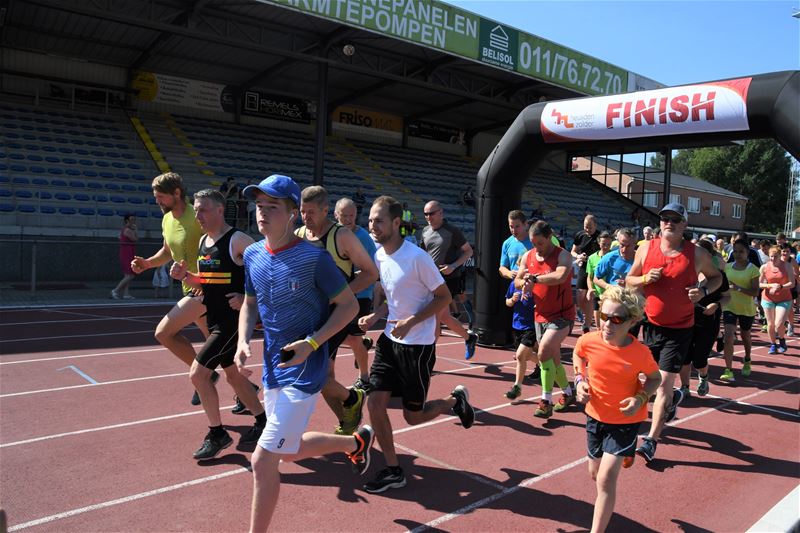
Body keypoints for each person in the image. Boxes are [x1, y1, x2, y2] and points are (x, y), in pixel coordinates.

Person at [236, 175, 374, 532]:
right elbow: (249, 304)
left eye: (272, 207)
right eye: (259, 206)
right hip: (272, 365)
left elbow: (347, 307)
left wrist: (312, 344)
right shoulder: (252, 254)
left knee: (263, 461)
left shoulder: (314, 259)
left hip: (305, 368)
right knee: (288, 448)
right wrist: (241, 340)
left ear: (292, 213)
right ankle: (355, 441)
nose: (262, 214)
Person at [359, 195, 475, 493]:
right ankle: (393, 469)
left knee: (413, 415)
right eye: (370, 219)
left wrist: (411, 321)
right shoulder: (379, 255)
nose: (373, 225)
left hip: (417, 345)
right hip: (389, 340)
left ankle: (454, 401)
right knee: (374, 402)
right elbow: (392, 298)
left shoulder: (417, 257)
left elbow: (444, 298)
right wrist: (376, 315)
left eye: (379, 220)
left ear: (396, 223)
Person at [168, 189, 265, 460]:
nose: (198, 215)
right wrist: (185, 275)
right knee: (233, 375)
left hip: (232, 322)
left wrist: (246, 297)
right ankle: (262, 419)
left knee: (198, 375)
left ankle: (217, 433)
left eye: (204, 210)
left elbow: (270, 269)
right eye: (196, 209)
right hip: (215, 319)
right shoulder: (203, 242)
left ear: (220, 210)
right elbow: (207, 282)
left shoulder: (238, 240)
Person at [625, 202, 722, 462]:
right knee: (648, 382)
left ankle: (651, 441)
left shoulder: (697, 254)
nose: (669, 222)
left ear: (684, 225)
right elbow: (629, 280)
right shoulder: (646, 249)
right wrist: (645, 279)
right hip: (651, 325)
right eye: (665, 218)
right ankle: (674, 399)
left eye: (675, 219)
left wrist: (702, 291)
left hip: (679, 329)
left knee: (665, 383)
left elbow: (717, 278)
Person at [573, 286, 662, 533]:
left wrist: (641, 398)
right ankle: (626, 453)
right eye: (604, 316)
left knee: (605, 479)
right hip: (595, 416)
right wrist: (580, 380)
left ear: (632, 321)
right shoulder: (589, 341)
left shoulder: (640, 353)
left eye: (616, 319)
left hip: (625, 420)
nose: (608, 324)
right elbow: (578, 354)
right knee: (594, 473)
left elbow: (655, 379)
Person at [296, 186, 379, 434]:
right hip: (310, 315)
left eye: (311, 212)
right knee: (324, 374)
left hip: (336, 316)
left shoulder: (341, 236)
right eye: (302, 211)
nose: (306, 217)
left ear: (325, 210)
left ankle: (351, 404)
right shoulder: (299, 234)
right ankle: (349, 418)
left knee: (312, 369)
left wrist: (341, 295)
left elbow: (371, 273)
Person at [131, 172, 214, 406]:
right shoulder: (167, 219)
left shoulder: (197, 215)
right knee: (217, 348)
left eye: (161, 197)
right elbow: (167, 252)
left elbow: (215, 246)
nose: (158, 202)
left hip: (204, 289)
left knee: (163, 333)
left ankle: (203, 376)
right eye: (156, 197)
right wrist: (147, 263)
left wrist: (206, 280)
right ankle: (245, 392)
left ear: (177, 193)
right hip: (189, 287)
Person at [515, 220, 577, 419]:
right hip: (540, 314)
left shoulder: (563, 255)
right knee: (553, 359)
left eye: (540, 243)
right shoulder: (528, 255)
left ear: (550, 237)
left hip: (562, 315)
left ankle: (545, 401)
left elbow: (560, 276)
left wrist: (535, 279)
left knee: (543, 353)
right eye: (533, 243)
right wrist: (523, 282)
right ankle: (567, 393)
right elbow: (517, 279)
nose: (537, 247)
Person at [420, 200, 478, 359]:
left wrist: (453, 266)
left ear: (441, 212)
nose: (428, 217)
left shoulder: (452, 231)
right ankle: (469, 337)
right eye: (425, 214)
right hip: (431, 280)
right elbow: (422, 255)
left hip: (449, 280)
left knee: (436, 318)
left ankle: (427, 358)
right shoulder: (425, 231)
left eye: (431, 213)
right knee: (444, 316)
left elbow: (468, 252)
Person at [333, 197, 378, 390]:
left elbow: (373, 269)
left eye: (352, 215)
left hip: (360, 295)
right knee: (333, 336)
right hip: (335, 296)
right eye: (344, 216)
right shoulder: (331, 234)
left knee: (353, 339)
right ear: (336, 215)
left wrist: (350, 278)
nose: (349, 219)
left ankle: (365, 378)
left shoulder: (364, 238)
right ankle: (328, 379)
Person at [678, 239, 729, 397]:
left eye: (697, 252)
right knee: (684, 357)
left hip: (708, 321)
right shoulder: (687, 272)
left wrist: (716, 305)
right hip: (686, 319)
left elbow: (727, 297)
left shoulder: (718, 275)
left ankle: (703, 377)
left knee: (699, 359)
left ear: (707, 255)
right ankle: (685, 387)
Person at [499, 210, 538, 379]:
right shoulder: (507, 243)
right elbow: (501, 267)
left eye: (517, 226)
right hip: (515, 288)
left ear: (525, 225)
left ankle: (540, 362)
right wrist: (510, 274)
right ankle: (540, 362)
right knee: (523, 331)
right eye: (510, 226)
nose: (513, 230)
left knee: (535, 330)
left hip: (535, 289)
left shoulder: (533, 241)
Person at [720, 239, 760, 382]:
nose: (737, 254)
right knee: (729, 336)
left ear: (747, 252)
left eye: (741, 251)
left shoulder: (753, 269)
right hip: (729, 306)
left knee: (745, 336)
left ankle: (747, 359)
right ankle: (728, 369)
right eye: (735, 251)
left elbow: (755, 292)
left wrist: (737, 288)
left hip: (746, 308)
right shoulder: (728, 267)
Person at [503, 263, 538, 401]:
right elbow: (507, 302)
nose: (524, 272)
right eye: (521, 269)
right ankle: (545, 365)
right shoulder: (514, 284)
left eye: (528, 270)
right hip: (517, 325)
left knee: (519, 356)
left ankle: (517, 387)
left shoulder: (535, 285)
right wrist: (512, 300)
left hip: (531, 325)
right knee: (526, 356)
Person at [760, 245, 795, 354]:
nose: (773, 259)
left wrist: (780, 286)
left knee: (778, 323)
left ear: (780, 256)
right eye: (771, 256)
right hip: (768, 298)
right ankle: (773, 344)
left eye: (775, 256)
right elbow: (760, 284)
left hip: (784, 298)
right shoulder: (764, 267)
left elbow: (792, 283)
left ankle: (782, 340)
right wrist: (770, 286)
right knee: (770, 324)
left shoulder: (788, 266)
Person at [571, 215, 600, 334]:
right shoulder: (580, 235)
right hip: (583, 267)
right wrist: (578, 256)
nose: (587, 229)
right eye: (585, 227)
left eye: (590, 227)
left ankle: (587, 324)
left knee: (589, 297)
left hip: (594, 269)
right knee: (579, 297)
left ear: (595, 226)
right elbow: (573, 251)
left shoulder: (599, 236)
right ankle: (587, 316)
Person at [585, 231, 614, 334]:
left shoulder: (614, 257)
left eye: (608, 244)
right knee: (599, 326)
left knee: (608, 322)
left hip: (611, 295)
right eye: (603, 244)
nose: (606, 246)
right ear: (598, 242)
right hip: (598, 294)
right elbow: (590, 277)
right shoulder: (592, 258)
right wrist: (590, 289)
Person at [112, 214, 138, 300]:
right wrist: (135, 230)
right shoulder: (127, 230)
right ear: (127, 221)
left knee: (127, 274)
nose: (133, 222)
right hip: (127, 253)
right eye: (131, 220)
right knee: (130, 275)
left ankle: (126, 294)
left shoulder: (128, 230)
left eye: (134, 219)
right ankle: (116, 290)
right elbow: (135, 239)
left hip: (129, 252)